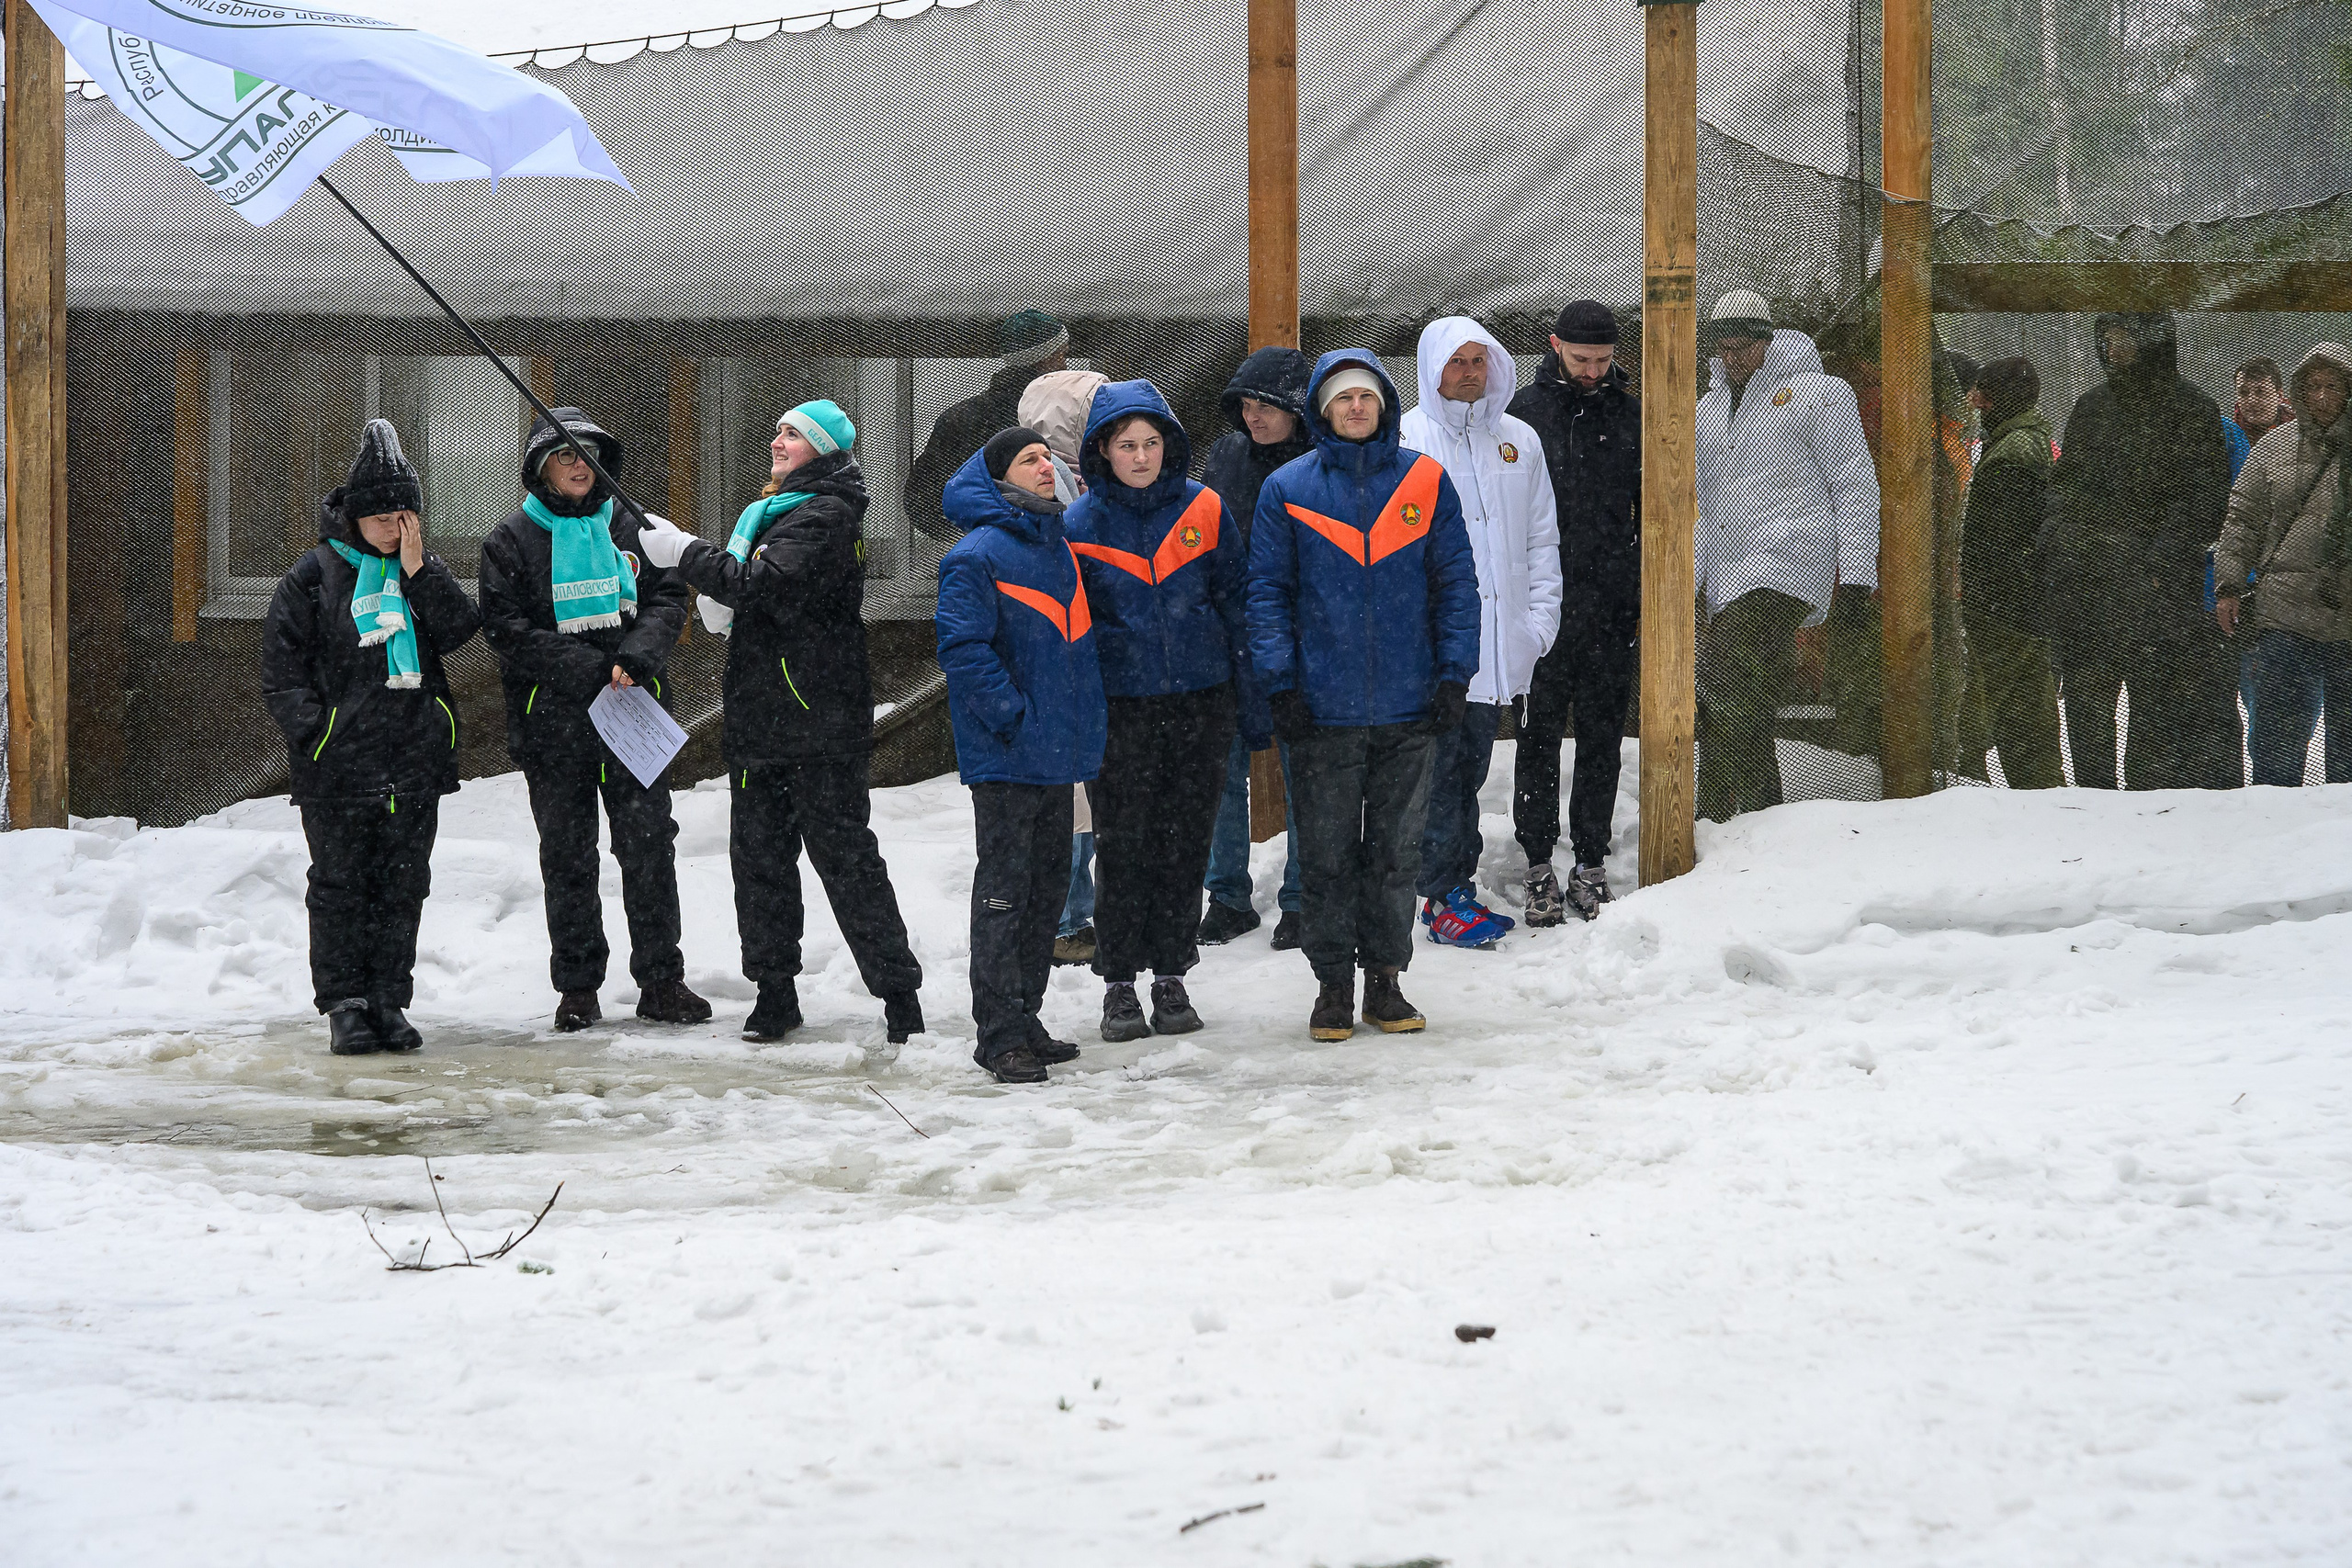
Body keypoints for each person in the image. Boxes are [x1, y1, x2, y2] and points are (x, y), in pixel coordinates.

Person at [636, 400, 926, 1046]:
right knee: (760, 862)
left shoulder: (825, 513)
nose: (777, 440)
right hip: (761, 723)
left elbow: (761, 584)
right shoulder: (775, 512)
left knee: (846, 860)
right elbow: (746, 591)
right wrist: (713, 583)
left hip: (819, 725)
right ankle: (774, 992)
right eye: (776, 430)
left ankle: (899, 994)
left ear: (820, 449)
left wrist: (684, 552)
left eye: (791, 433)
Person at [1249, 352, 1478, 1042]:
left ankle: (1384, 978)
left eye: (1368, 397)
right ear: (1322, 409)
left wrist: (1453, 674)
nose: (1356, 407)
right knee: (1324, 853)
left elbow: (1456, 586)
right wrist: (1281, 683)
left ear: (1384, 406)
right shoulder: (1287, 489)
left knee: (1394, 853)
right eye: (1343, 398)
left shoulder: (1426, 482)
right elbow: (1267, 595)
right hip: (1321, 712)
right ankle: (1331, 986)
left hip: (1411, 707)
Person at [479, 407, 708, 1032]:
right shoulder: (510, 540)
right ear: (540, 469)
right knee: (568, 855)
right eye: (565, 454)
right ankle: (578, 986)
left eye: (588, 452)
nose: (580, 464)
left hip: (635, 714)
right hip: (552, 724)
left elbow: (669, 594)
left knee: (649, 846)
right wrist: (584, 666)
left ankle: (662, 979)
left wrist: (639, 653)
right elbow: (505, 628)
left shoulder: (637, 527)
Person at [262, 421, 481, 1055]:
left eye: (406, 513)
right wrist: (321, 736)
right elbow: (282, 674)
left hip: (413, 762)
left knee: (403, 883)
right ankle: (345, 1005)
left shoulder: (419, 573)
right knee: (340, 884)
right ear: (355, 516)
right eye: (384, 515)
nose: (396, 525)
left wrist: (419, 573)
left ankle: (390, 998)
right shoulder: (312, 578)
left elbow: (462, 629)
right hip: (339, 769)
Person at [1065, 380, 1259, 1040]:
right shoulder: (1080, 525)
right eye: (1127, 445)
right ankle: (1119, 982)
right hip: (1121, 711)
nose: (1141, 456)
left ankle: (1172, 974)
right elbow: (1076, 630)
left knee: (1185, 842)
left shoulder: (1205, 508)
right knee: (1122, 845)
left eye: (1151, 443)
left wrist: (1245, 689)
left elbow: (1236, 600)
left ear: (1169, 445)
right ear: (1104, 452)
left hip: (1201, 703)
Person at [935, 428, 1105, 1083]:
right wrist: (1014, 717)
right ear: (1000, 478)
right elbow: (963, 650)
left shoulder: (1057, 547)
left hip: (1057, 756)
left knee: (1045, 890)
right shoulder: (977, 554)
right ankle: (998, 1031)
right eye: (1029, 459)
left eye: (1048, 457)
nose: (1046, 467)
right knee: (1005, 894)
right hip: (1008, 757)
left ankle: (1025, 1015)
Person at [1399, 317, 1560, 946]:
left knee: (1465, 770)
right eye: (1457, 360)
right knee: (1437, 776)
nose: (1469, 371)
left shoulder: (1519, 440)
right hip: (1435, 651)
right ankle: (1440, 894)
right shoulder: (1407, 439)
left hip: (1500, 648)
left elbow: (1541, 539)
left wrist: (1536, 625)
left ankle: (1449, 888)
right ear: (1432, 367)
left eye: (1479, 359)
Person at [1692, 291, 1881, 820]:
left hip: (1792, 559)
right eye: (1724, 349)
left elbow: (1853, 482)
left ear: (1767, 340)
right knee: (1743, 690)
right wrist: (1697, 577)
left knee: (1721, 673)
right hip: (1731, 571)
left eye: (1742, 348)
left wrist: (1859, 572)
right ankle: (1758, 814)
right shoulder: (1708, 411)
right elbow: (1704, 501)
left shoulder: (1818, 394)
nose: (1733, 359)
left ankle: (1715, 808)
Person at [2045, 312, 2237, 791]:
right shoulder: (2092, 407)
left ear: (2152, 342)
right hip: (2092, 588)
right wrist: (2076, 544)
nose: (2113, 350)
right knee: (2089, 707)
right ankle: (2093, 805)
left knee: (2156, 710)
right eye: (2106, 340)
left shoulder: (2192, 410)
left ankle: (2146, 818)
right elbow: (2067, 488)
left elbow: (2205, 499)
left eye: (2124, 340)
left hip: (2160, 590)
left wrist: (2156, 559)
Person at [1508, 301, 1639, 923]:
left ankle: (1590, 859)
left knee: (1601, 735)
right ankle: (1537, 862)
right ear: (1555, 345)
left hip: (1611, 603)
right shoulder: (1523, 418)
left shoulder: (1630, 414)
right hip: (1541, 604)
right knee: (1537, 735)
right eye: (1581, 358)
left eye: (1603, 360)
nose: (1592, 371)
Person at [1196, 345, 1314, 950]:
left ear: (1296, 406)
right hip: (1232, 639)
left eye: (1265, 405)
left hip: (1301, 639)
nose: (1253, 417)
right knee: (1223, 771)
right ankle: (1227, 896)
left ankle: (1300, 898)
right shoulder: (1228, 455)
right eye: (1245, 405)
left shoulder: (1323, 464)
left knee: (1305, 773)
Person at [2213, 343, 2352, 785]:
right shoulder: (2274, 448)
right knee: (2277, 740)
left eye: (2333, 386)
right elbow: (2242, 521)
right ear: (2299, 392)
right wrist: (2229, 586)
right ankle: (2273, 833)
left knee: (2347, 747)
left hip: (2347, 613)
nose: (2323, 396)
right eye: (2313, 387)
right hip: (2286, 615)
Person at [1017, 367, 1113, 966]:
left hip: (1071, 667)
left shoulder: (1067, 478)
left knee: (1077, 799)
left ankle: (1068, 913)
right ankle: (1066, 918)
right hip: (1063, 666)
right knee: (1070, 801)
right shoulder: (1057, 485)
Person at [1958, 357, 2064, 789]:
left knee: (2018, 718)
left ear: (2001, 398)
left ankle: (2033, 802)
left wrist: (1986, 597)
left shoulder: (2013, 454)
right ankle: (2042, 797)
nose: (1974, 401)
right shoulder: (2025, 442)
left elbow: (2003, 541)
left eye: (1982, 391)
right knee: (2030, 710)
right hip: (2021, 604)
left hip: (2006, 607)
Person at [906, 310, 1071, 541]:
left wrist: (969, 538)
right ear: (1046, 359)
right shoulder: (1058, 418)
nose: (1064, 366)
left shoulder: (960, 418)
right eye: (1061, 356)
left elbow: (922, 499)